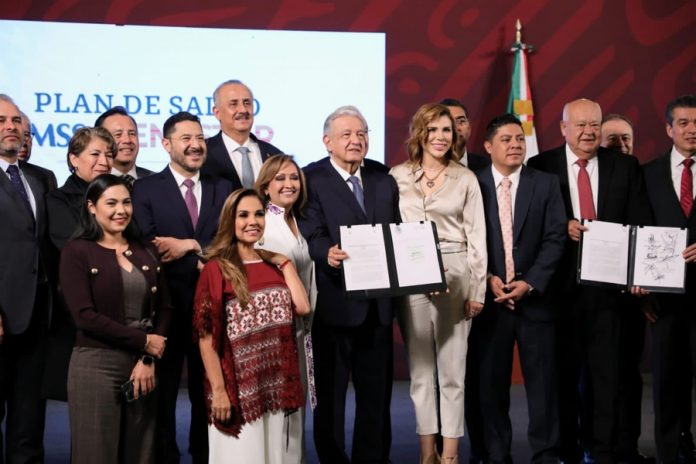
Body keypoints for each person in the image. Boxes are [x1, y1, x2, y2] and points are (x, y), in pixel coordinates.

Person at [528, 98, 650, 464]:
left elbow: (639, 221)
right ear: (563, 128)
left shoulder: (624, 166)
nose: (588, 132)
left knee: (605, 376)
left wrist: (638, 274)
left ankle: (601, 449)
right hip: (559, 289)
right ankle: (567, 448)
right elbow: (530, 224)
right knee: (562, 374)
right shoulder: (541, 166)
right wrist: (561, 223)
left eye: (594, 124)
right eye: (580, 125)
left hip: (609, 291)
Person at [298, 105, 400, 464]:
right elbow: (310, 231)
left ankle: (372, 458)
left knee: (376, 395)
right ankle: (333, 459)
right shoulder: (311, 178)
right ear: (327, 141)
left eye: (362, 134)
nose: (356, 140)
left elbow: (398, 232)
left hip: (378, 306)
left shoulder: (383, 178)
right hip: (334, 303)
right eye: (346, 135)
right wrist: (326, 251)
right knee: (330, 396)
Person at [131, 111, 233, 464]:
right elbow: (151, 246)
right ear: (166, 144)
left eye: (200, 138)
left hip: (214, 308)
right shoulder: (145, 189)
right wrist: (204, 255)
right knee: (163, 396)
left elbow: (229, 241)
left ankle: (206, 456)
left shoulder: (224, 188)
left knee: (210, 392)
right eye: (186, 138)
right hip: (166, 310)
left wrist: (190, 245)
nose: (195, 145)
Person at [389, 103, 487, 464]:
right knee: (420, 374)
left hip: (455, 273)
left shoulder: (466, 179)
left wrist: (477, 291)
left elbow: (477, 238)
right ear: (420, 133)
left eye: (447, 130)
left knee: (452, 373)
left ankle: (450, 455)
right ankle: (426, 453)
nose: (441, 137)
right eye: (433, 129)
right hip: (411, 274)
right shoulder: (397, 176)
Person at [59, 174, 171, 463]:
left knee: (141, 454)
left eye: (126, 202)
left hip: (142, 366)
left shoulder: (145, 249)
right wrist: (144, 342)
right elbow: (85, 317)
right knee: (95, 454)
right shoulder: (76, 251)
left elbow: (165, 308)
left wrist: (147, 359)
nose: (121, 210)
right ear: (92, 207)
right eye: (111, 203)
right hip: (95, 364)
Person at [193, 188, 310, 463]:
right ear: (229, 220)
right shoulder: (216, 268)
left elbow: (303, 307)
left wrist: (285, 263)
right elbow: (206, 338)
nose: (252, 222)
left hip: (274, 387)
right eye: (243, 215)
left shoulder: (274, 265)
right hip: (238, 391)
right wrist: (219, 391)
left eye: (258, 214)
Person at [475, 114, 565, 464]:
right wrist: (487, 279)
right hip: (490, 301)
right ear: (488, 146)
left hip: (536, 300)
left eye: (519, 139)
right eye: (506, 140)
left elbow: (556, 237)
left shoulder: (545, 183)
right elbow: (467, 239)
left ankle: (546, 454)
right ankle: (497, 454)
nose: (515, 145)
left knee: (543, 387)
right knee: (491, 386)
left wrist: (530, 282)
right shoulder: (473, 184)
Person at [641, 95, 696, 464]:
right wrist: (642, 292)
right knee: (665, 380)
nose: (692, 130)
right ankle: (668, 451)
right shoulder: (647, 174)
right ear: (668, 128)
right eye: (684, 123)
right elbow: (636, 227)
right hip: (663, 297)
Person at [0, 94, 54, 464]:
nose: (11, 126)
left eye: (16, 120)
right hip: (2, 315)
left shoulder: (41, 178)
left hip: (37, 318)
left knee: (29, 422)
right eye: (2, 120)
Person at [44, 126, 115, 401]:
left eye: (108, 154)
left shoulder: (119, 195)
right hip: (80, 314)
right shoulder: (57, 200)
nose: (104, 161)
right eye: (95, 154)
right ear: (74, 158)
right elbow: (74, 247)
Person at [600, 114, 656, 464]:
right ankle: (597, 446)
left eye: (626, 139)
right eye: (612, 139)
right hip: (591, 296)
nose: (620, 145)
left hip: (632, 297)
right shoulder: (588, 178)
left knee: (628, 376)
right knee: (594, 377)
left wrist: (646, 283)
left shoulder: (645, 177)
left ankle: (627, 445)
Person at [255, 154, 316, 464]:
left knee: (295, 411)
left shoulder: (298, 220)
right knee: (279, 410)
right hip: (276, 334)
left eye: (294, 177)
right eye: (280, 178)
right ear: (265, 187)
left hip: (301, 331)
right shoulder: (262, 224)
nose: (289, 184)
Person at [202, 80, 282, 188]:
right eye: (233, 104)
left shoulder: (274, 155)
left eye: (247, 103)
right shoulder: (203, 154)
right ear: (217, 112)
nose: (243, 110)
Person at [95, 106, 153, 185]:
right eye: (118, 134)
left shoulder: (157, 181)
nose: (127, 140)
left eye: (132, 133)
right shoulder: (91, 182)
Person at [440, 98, 490, 172]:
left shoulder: (489, 167)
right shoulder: (423, 167)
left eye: (461, 121)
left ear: (469, 128)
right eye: (448, 121)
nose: (455, 128)